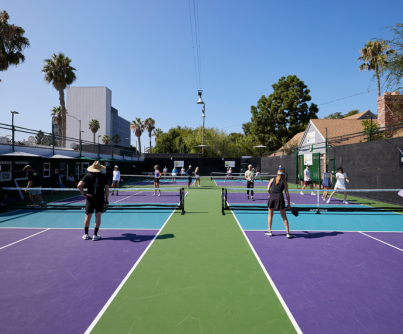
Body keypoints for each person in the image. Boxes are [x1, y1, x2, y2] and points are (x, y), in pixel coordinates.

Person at [77, 161, 109, 241]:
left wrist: (84, 194)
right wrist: (106, 200)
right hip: (100, 198)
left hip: (90, 198)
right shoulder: (104, 177)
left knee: (88, 216)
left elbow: (79, 185)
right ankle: (95, 235)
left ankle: (86, 234)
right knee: (98, 216)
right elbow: (107, 190)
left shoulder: (87, 176)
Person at [265, 168, 294, 239]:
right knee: (284, 216)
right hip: (280, 198)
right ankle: (288, 233)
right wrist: (289, 204)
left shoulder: (272, 180)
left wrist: (270, 194)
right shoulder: (284, 182)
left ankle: (269, 231)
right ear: (283, 175)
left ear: (277, 174)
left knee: (270, 215)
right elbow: (287, 194)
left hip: (272, 198)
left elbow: (268, 189)